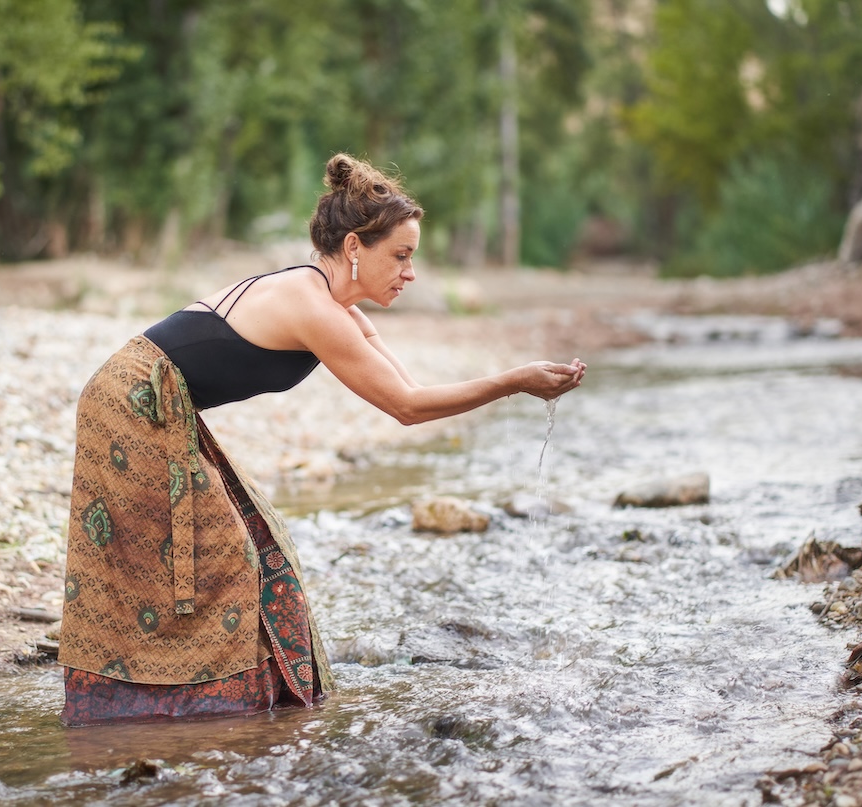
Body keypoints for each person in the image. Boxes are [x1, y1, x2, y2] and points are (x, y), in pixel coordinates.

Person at [57, 153, 586, 726]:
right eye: (401, 257)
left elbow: (409, 387)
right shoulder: (312, 305)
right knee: (223, 554)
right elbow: (406, 410)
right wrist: (513, 382)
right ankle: (162, 706)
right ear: (355, 248)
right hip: (130, 397)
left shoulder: (339, 306)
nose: (411, 273)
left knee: (258, 544)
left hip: (163, 402)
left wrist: (519, 376)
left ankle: (227, 709)